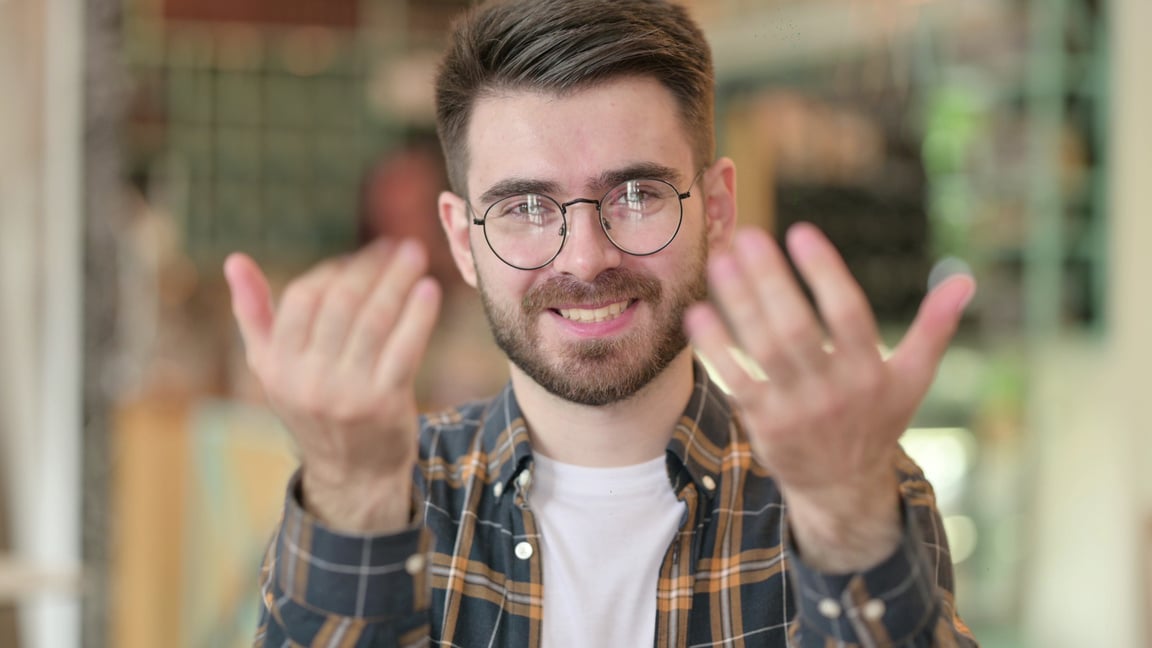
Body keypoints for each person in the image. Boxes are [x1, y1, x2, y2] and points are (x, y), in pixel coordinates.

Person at [224, 0, 979, 645]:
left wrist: (848, 525)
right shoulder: (382, 503)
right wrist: (353, 499)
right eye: (524, 207)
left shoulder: (848, 486)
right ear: (462, 238)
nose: (584, 259)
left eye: (638, 194)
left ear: (715, 207)